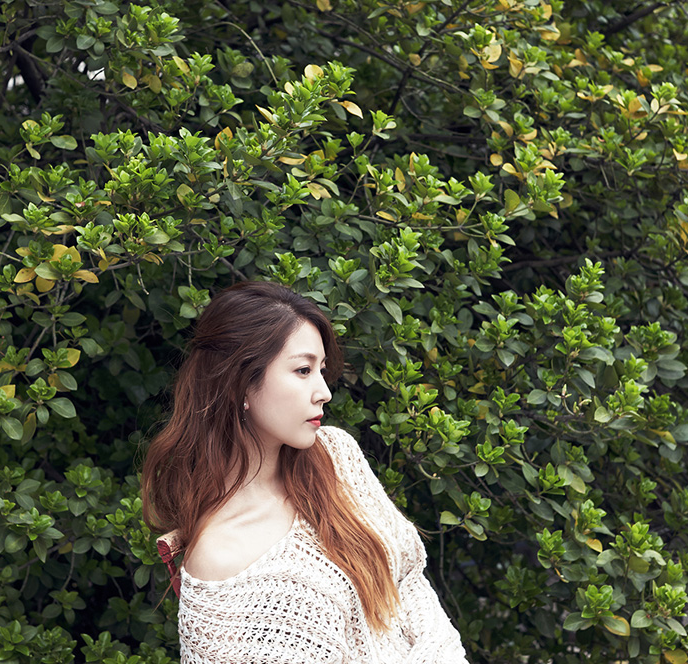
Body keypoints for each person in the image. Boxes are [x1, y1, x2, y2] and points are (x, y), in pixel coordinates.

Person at [140, 280, 469, 663]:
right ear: (240, 383)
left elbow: (409, 584)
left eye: (321, 370)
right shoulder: (220, 559)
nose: (324, 391)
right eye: (303, 370)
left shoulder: (336, 455)